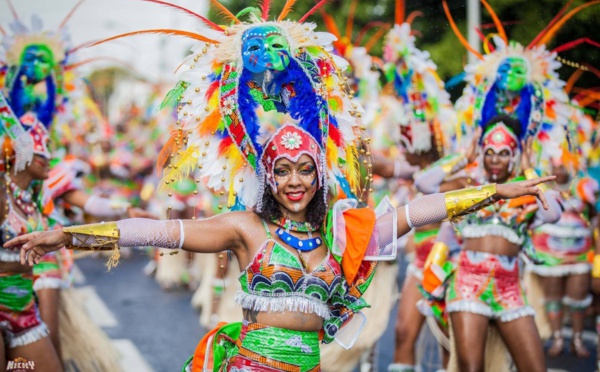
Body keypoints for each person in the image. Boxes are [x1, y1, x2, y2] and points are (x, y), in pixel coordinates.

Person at [8, 4, 555, 372]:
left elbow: (423, 210)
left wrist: (497, 194)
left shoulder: (344, 230)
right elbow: (150, 230)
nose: (295, 180)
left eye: (305, 169)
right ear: (268, 176)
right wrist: (68, 236)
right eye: (284, 170)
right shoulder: (246, 228)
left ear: (320, 173)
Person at [415, 115, 561, 372]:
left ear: (515, 155)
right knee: (472, 369)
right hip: (468, 283)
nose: (495, 159)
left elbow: (552, 214)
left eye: (504, 153)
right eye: (489, 152)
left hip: (510, 287)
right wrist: (463, 157)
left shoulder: (527, 191)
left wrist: (529, 170)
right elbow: (423, 183)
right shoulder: (470, 185)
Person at [0, 97, 62, 371]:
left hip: (23, 306)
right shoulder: (2, 190)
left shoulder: (32, 196)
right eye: (43, 151)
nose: (49, 158)